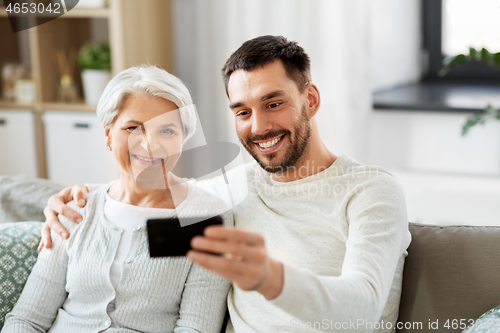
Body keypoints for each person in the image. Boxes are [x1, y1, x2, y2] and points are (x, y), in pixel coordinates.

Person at [39, 36, 411, 333]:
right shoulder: (230, 190)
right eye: (243, 112)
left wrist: (270, 277)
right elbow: (149, 189)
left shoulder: (370, 192)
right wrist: (71, 198)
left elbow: (363, 308)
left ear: (310, 100)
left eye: (273, 103)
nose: (258, 127)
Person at [2, 65, 232, 333]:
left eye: (167, 131)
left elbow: (197, 328)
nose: (149, 144)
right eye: (134, 127)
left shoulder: (205, 216)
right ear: (108, 134)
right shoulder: (75, 208)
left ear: (183, 138)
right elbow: (27, 319)